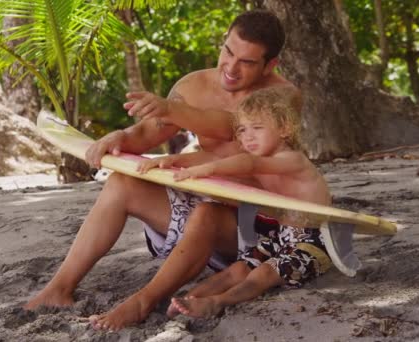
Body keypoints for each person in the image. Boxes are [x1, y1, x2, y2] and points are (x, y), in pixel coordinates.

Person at [24, 10, 299, 331]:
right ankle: (58, 289)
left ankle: (142, 302)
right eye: (228, 51)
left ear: (270, 66)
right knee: (122, 183)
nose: (231, 68)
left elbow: (233, 126)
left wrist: (174, 110)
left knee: (207, 214)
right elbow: (147, 133)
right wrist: (120, 137)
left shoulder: (285, 96)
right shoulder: (193, 86)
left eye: (248, 62)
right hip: (201, 220)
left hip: (257, 231)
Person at [139, 86, 332, 318]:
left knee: (262, 274)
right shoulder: (264, 159)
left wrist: (207, 170)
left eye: (257, 128)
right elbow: (220, 157)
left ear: (284, 128)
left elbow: (247, 164)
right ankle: (189, 299)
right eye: (241, 130)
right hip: (280, 239)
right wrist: (172, 160)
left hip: (313, 244)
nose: (247, 136)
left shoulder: (293, 160)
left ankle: (218, 302)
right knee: (237, 270)